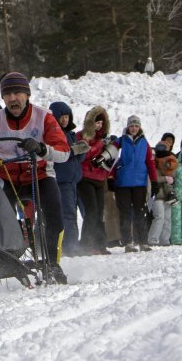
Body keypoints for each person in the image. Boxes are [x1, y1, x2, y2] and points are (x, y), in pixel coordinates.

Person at [0, 71, 69, 282]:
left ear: (27, 95)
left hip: (39, 175)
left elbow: (64, 152)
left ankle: (52, 262)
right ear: (3, 98)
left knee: (54, 210)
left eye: (17, 93)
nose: (13, 98)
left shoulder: (44, 117)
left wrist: (42, 148)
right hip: (7, 178)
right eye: (8, 94)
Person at [111, 115, 158, 252]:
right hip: (123, 182)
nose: (134, 128)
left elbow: (150, 163)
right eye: (131, 126)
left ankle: (143, 241)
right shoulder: (120, 142)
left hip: (139, 183)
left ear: (140, 127)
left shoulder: (145, 143)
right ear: (128, 127)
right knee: (125, 213)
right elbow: (111, 160)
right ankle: (128, 243)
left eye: (136, 126)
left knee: (140, 212)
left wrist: (154, 181)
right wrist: (111, 177)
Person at [49, 101, 89, 256]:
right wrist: (73, 151)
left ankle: (71, 244)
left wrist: (82, 150)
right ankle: (70, 247)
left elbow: (75, 160)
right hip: (61, 181)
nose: (65, 120)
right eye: (62, 117)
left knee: (71, 214)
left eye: (67, 116)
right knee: (67, 215)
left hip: (73, 181)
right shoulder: (53, 134)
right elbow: (58, 154)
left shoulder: (70, 134)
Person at [76, 106, 113, 255]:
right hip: (85, 178)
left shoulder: (103, 139)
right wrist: (98, 147)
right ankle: (85, 244)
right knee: (91, 212)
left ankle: (99, 244)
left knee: (99, 213)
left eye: (101, 123)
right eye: (96, 122)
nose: (99, 125)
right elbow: (82, 154)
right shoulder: (81, 136)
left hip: (99, 178)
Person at [149, 142, 179, 246]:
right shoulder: (152, 165)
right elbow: (152, 178)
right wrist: (165, 179)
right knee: (159, 217)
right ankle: (153, 239)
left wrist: (172, 179)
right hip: (156, 195)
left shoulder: (168, 164)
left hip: (167, 195)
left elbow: (173, 175)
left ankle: (164, 240)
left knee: (167, 218)